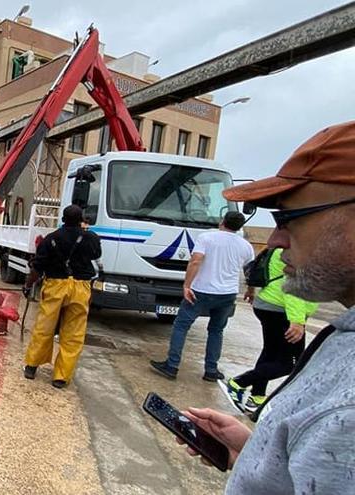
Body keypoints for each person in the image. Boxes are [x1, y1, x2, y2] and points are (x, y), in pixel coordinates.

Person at [175, 121, 355, 493]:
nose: (275, 239)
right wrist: (258, 451)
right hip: (227, 298)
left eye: (288, 217)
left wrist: (190, 285)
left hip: (219, 297)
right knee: (219, 337)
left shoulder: (346, 416)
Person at [150, 211, 254, 381]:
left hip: (201, 290)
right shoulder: (246, 246)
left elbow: (196, 261)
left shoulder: (207, 237)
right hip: (227, 293)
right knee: (216, 330)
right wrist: (250, 290)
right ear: (239, 227)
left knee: (181, 326)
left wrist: (186, 285)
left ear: (223, 221)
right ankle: (211, 370)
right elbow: (250, 271)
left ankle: (172, 365)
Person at [220, 249, 318, 416]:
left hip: (270, 304)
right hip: (282, 311)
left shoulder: (282, 246)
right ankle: (239, 382)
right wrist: (297, 321)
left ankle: (257, 396)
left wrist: (251, 291)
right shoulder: (295, 249)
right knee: (292, 363)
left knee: (270, 354)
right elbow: (294, 287)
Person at [22, 204, 101, 388]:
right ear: (82, 219)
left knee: (44, 327)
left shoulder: (51, 239)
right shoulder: (90, 238)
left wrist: (27, 285)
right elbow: (97, 254)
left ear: (63, 219)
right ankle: (60, 377)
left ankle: (32, 367)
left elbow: (38, 267)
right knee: (73, 333)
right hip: (80, 286)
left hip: (56, 285)